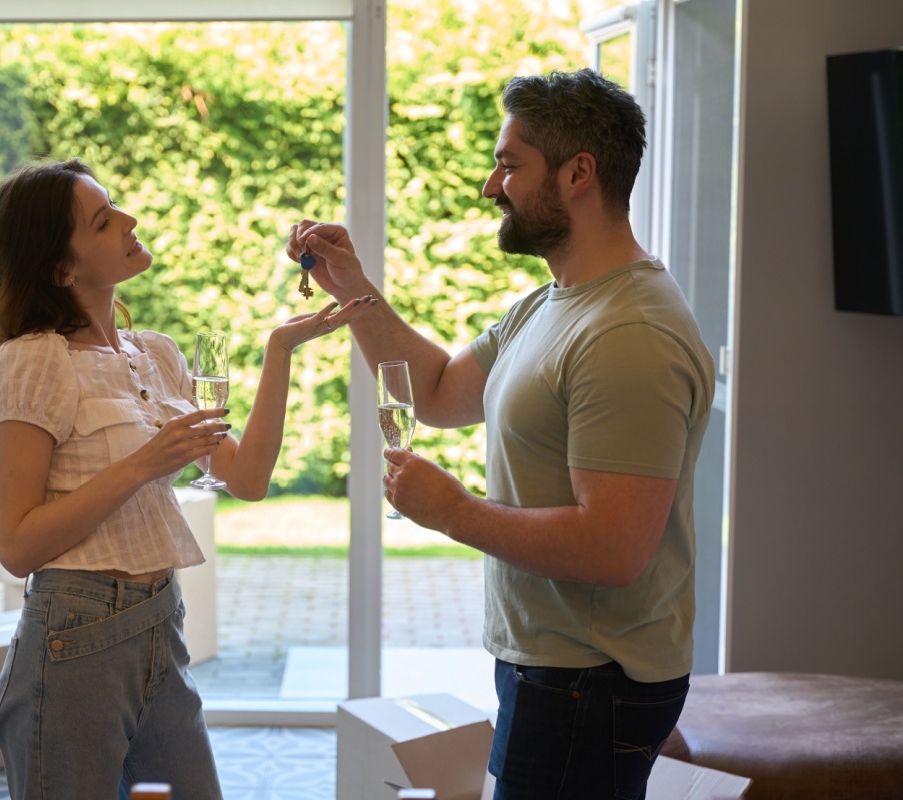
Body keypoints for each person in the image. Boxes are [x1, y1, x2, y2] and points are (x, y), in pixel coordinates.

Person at [288, 69, 715, 799]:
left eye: (510, 163)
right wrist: (352, 288)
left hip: (591, 683)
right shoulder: (555, 302)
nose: (492, 185)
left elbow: (615, 548)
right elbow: (440, 391)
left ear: (579, 173)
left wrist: (452, 511)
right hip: (554, 673)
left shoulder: (629, 332)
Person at [0, 157, 374, 800]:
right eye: (104, 221)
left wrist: (280, 350)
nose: (130, 221)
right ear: (62, 268)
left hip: (160, 621)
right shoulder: (31, 361)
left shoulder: (153, 354)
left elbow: (247, 477)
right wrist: (143, 466)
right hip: (73, 638)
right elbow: (18, 546)